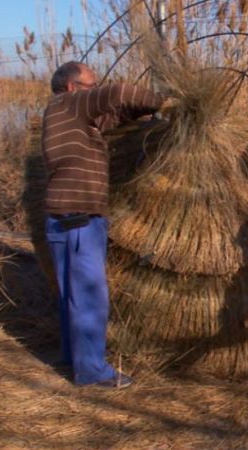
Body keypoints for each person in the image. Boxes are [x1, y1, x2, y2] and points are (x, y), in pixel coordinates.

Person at [42, 61, 163, 388]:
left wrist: (135, 114)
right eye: (91, 86)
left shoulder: (62, 114)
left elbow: (110, 116)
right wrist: (161, 101)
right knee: (91, 296)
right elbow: (119, 93)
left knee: (71, 295)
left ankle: (75, 360)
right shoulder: (71, 103)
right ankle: (93, 372)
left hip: (58, 218)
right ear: (72, 87)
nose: (95, 90)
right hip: (81, 220)